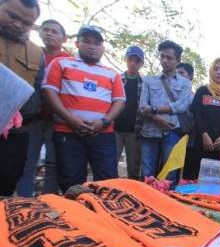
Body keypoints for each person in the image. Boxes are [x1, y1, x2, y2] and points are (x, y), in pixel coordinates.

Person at [42, 25, 126, 192]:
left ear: (102, 48)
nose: (92, 46)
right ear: (77, 43)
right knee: (71, 181)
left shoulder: (112, 73)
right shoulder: (62, 63)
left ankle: (104, 215)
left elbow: (120, 101)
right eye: (86, 41)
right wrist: (71, 120)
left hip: (103, 134)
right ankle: (76, 215)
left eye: (96, 43)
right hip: (68, 132)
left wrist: (103, 121)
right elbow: (49, 92)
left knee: (108, 181)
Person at [16, 19, 70, 197]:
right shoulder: (30, 53)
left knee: (53, 163)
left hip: (58, 119)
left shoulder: (69, 61)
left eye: (55, 31)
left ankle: (49, 202)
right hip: (31, 117)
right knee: (27, 162)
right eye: (46, 30)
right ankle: (26, 201)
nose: (49, 34)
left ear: (64, 38)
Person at [0, 0, 42, 196]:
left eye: (26, 22)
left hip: (15, 133)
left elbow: (38, 92)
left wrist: (17, 113)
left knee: (7, 182)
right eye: (12, 16)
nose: (17, 24)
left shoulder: (36, 52)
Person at [139, 40, 192, 184]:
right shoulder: (149, 80)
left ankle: (167, 203)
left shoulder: (185, 83)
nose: (164, 60)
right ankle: (145, 202)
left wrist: (154, 110)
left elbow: (181, 106)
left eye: (169, 57)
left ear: (178, 60)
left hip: (172, 132)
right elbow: (142, 106)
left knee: (170, 173)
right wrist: (157, 119)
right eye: (162, 56)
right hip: (149, 132)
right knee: (146, 172)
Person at [114, 46, 144, 180]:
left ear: (141, 64)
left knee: (133, 167)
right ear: (126, 60)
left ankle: (132, 194)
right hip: (115, 128)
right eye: (130, 59)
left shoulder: (144, 83)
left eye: (137, 61)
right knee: (110, 163)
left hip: (134, 130)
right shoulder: (117, 79)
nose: (133, 63)